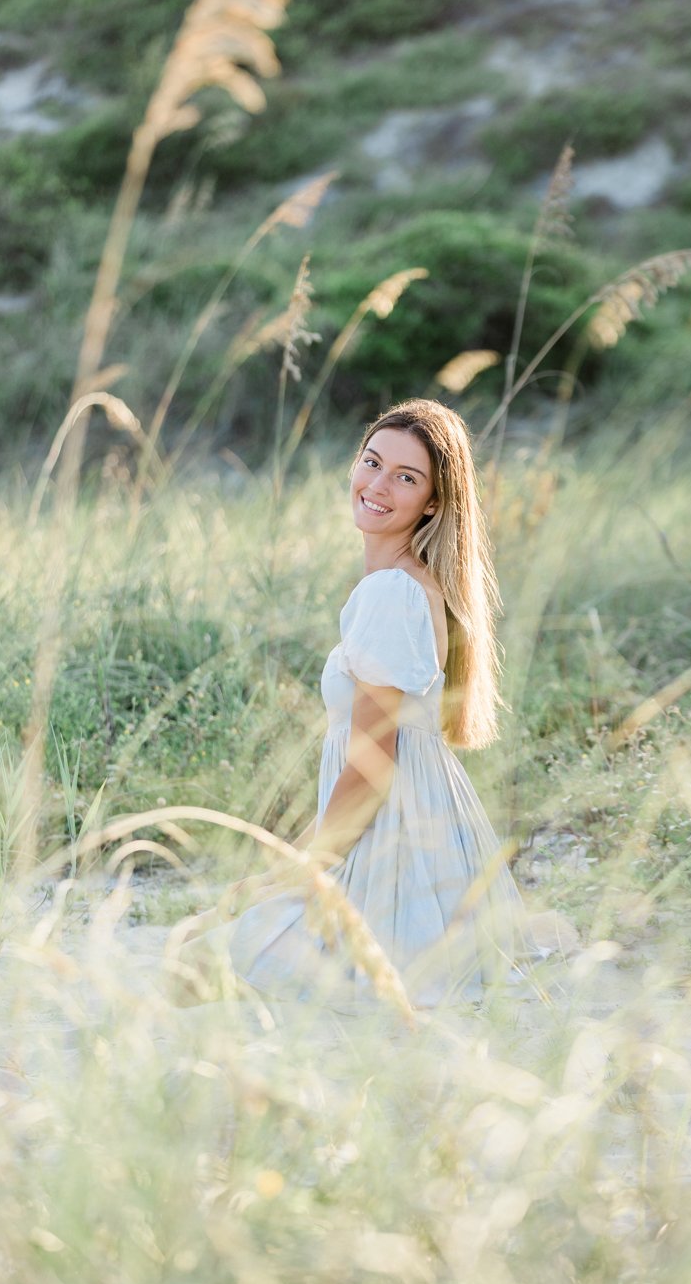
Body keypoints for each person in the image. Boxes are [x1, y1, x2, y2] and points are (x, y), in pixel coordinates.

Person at [175, 398, 530, 1009]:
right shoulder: (410, 583)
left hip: (386, 860)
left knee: (192, 965)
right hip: (414, 847)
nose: (378, 484)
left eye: (406, 477)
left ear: (435, 502)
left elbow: (370, 772)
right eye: (372, 462)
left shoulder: (392, 593)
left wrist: (284, 875)